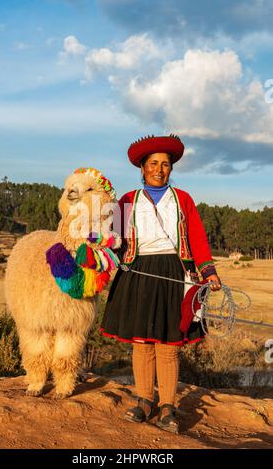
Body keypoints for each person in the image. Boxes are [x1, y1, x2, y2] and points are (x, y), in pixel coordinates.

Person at [101, 135, 221, 434]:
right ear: (142, 168)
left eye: (165, 164)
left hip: (174, 272)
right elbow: (111, 238)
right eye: (153, 163)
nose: (159, 169)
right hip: (139, 273)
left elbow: (196, 237)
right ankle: (144, 400)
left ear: (171, 169)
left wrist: (209, 272)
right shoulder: (126, 201)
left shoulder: (183, 199)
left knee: (168, 346)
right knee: (142, 343)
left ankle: (167, 406)